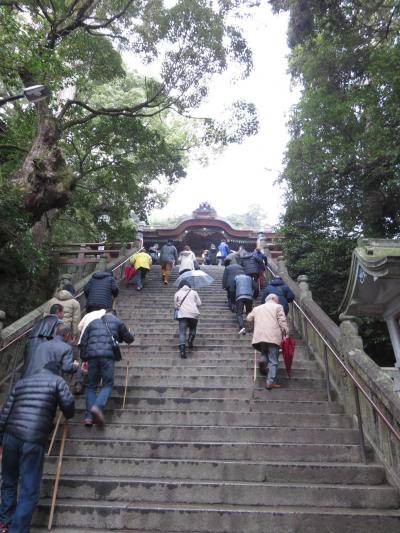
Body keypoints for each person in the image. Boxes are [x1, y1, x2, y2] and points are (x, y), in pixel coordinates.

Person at [0, 361, 75, 533]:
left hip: (10, 437)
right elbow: (69, 406)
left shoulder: (22, 382)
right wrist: (66, 411)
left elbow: (4, 413)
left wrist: (0, 440)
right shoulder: (57, 381)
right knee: (30, 490)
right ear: (57, 372)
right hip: (32, 440)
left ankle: (4, 522)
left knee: (9, 482)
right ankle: (17, 530)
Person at [80, 310, 134, 426]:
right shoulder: (118, 322)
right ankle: (97, 407)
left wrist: (84, 359)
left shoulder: (93, 323)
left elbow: (84, 341)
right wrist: (129, 334)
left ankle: (89, 417)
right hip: (107, 357)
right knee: (107, 384)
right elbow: (129, 339)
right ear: (114, 315)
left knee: (91, 385)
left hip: (92, 357)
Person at [247, 294, 288, 390]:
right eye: (277, 300)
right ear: (273, 299)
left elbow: (249, 318)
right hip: (273, 336)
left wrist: (253, 328)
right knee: (273, 360)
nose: (278, 301)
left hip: (260, 336)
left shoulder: (257, 308)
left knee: (265, 352)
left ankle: (262, 361)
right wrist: (285, 334)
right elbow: (282, 321)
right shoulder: (278, 307)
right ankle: (270, 382)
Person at [23, 304, 64, 377]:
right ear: (58, 312)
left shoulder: (40, 321)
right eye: (63, 312)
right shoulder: (58, 322)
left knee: (29, 368)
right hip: (45, 345)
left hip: (31, 344)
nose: (64, 314)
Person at [174, 280, 201, 359]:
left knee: (182, 332)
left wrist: (179, 305)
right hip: (193, 314)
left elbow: (175, 306)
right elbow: (199, 303)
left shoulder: (177, 293)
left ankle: (182, 351)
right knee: (193, 328)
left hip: (182, 314)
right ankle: (190, 339)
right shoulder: (194, 292)